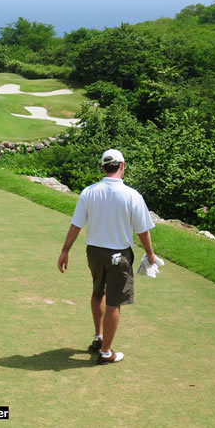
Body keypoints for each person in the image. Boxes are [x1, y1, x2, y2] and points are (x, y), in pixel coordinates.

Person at [57, 149, 157, 365]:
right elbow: (142, 231)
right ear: (122, 165)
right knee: (114, 302)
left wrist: (65, 250)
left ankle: (98, 336)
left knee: (97, 292)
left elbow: (76, 225)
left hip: (94, 253)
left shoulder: (89, 192)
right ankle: (105, 353)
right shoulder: (132, 195)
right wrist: (150, 253)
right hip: (119, 255)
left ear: (103, 167)